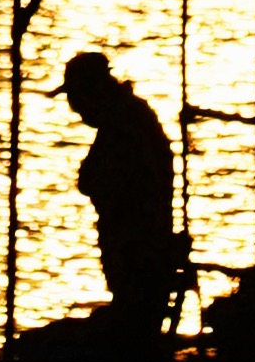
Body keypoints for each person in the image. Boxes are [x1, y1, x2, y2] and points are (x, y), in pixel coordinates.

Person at [60, 46, 187, 338]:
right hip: (137, 252)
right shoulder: (127, 118)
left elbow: (102, 180)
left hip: (137, 255)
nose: (76, 108)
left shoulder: (125, 125)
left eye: (76, 99)